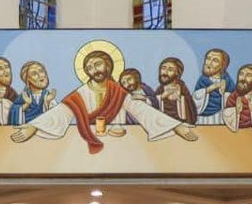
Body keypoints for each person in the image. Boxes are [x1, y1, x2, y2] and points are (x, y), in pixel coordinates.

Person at [10, 50, 197, 154]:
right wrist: (33, 127)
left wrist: (175, 126)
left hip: (120, 147)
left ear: (108, 66)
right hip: (86, 145)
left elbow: (142, 110)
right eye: (89, 67)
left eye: (98, 64)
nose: (94, 70)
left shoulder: (118, 91)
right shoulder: (81, 93)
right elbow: (61, 112)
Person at [193, 48, 234, 125]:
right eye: (208, 58)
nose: (209, 63)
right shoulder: (202, 80)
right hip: (202, 118)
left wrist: (225, 93)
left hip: (221, 118)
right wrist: (210, 88)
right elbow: (195, 100)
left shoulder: (228, 81)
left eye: (215, 60)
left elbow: (233, 99)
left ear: (222, 65)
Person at [9, 61, 56, 125]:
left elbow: (55, 119)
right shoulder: (24, 96)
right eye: (34, 74)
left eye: (41, 71)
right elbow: (14, 112)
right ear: (27, 80)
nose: (40, 75)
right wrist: (26, 104)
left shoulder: (48, 96)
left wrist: (47, 102)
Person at [155, 57, 197, 125]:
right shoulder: (160, 90)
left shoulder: (183, 90)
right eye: (163, 68)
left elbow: (191, 114)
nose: (165, 72)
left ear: (177, 73)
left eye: (170, 70)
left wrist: (181, 100)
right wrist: (162, 97)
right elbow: (151, 112)